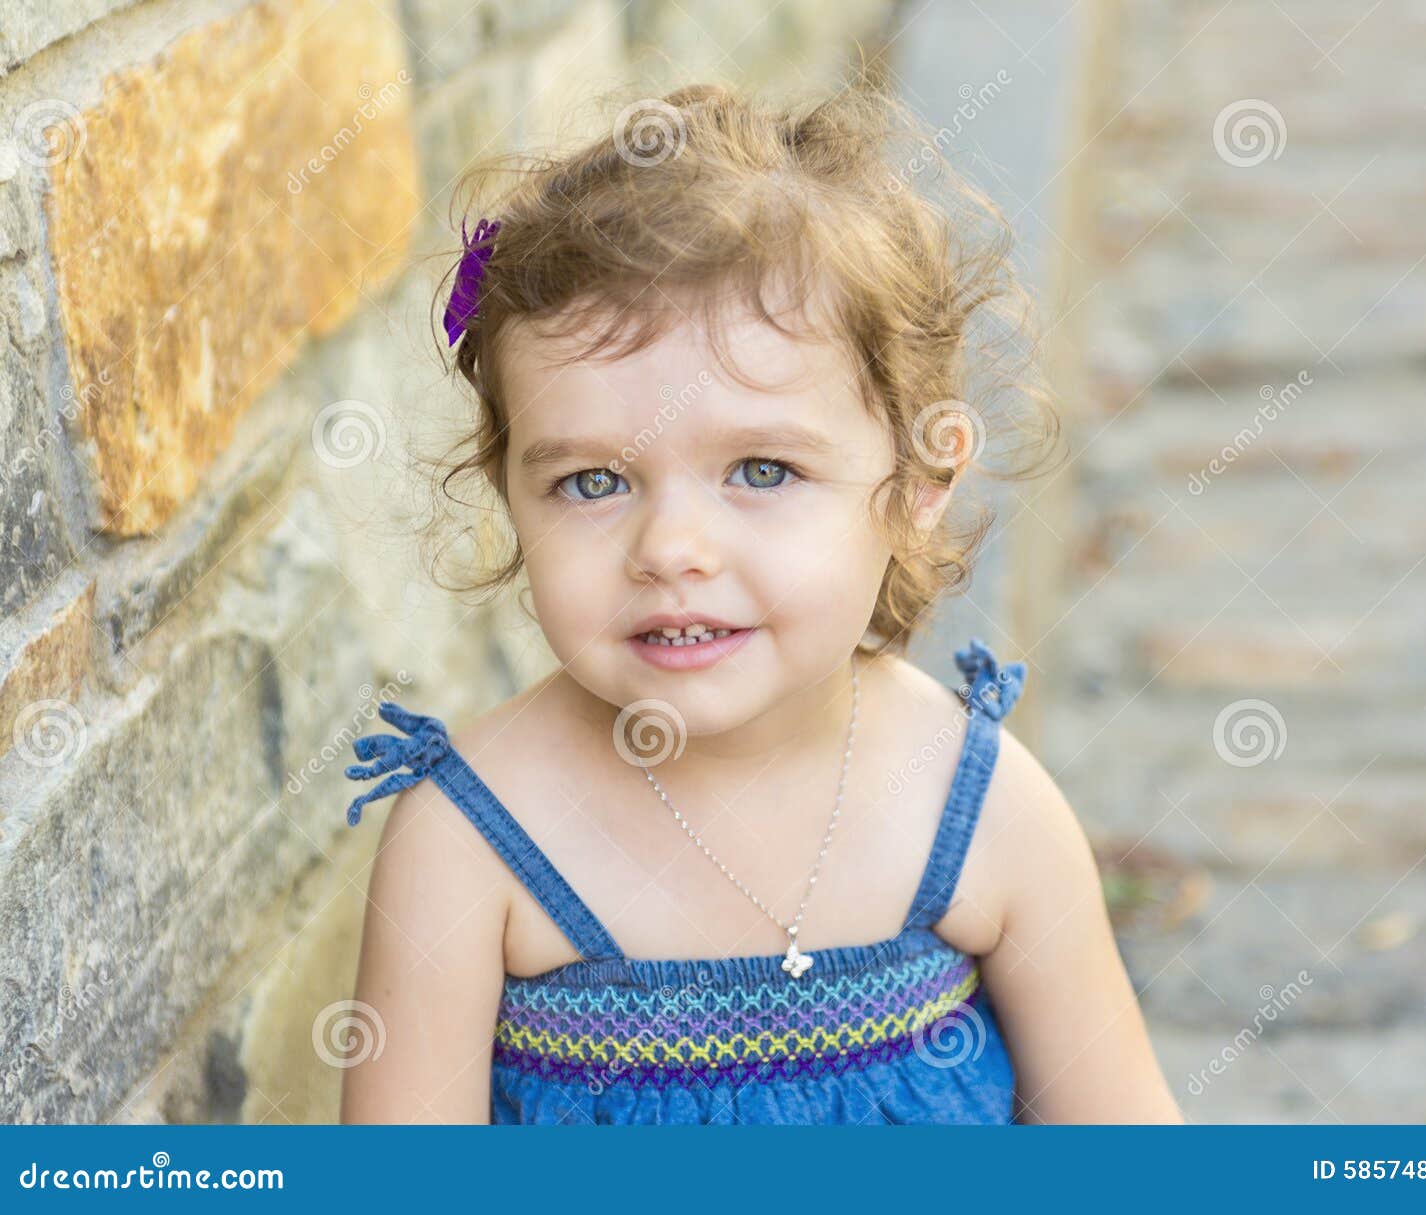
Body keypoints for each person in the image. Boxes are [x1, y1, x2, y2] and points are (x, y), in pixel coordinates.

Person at [339, 82, 1182, 1125]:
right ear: (511, 492)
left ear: (922, 478)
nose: (671, 551)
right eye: (592, 482)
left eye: (762, 471)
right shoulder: (473, 840)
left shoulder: (978, 810)